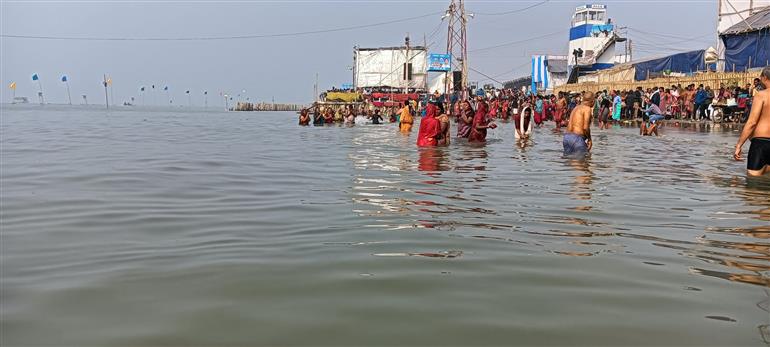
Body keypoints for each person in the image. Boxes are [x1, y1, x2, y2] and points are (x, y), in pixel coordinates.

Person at [734, 67, 770, 176]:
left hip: (761, 143)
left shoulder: (761, 95)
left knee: (752, 187)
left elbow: (752, 122)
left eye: (761, 77)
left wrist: (739, 145)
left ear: (765, 77)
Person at [563, 91, 595, 157]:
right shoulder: (587, 109)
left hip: (566, 137)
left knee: (569, 162)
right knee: (581, 164)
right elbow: (585, 127)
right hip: (577, 138)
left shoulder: (576, 108)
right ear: (593, 101)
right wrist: (589, 139)